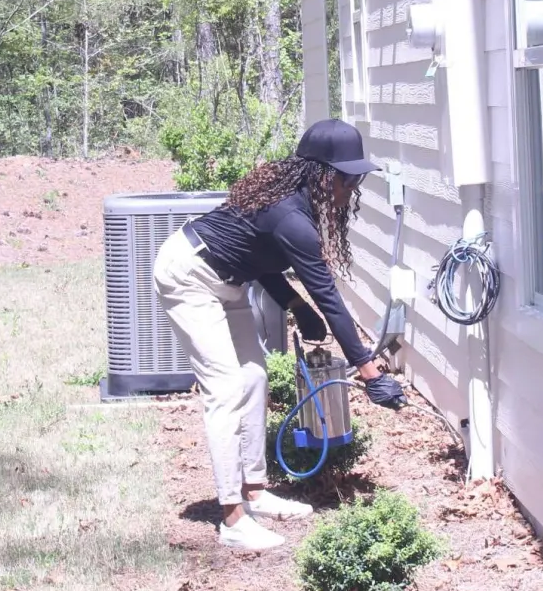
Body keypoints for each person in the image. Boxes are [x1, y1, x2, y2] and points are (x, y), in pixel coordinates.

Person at [153, 118, 407, 551]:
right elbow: (329, 296)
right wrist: (369, 372)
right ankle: (233, 519)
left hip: (228, 280)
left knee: (254, 377)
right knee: (226, 389)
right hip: (188, 274)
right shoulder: (292, 216)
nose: (353, 188)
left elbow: (262, 254)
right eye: (350, 178)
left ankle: (255, 492)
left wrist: (293, 306)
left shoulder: (289, 196)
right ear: (325, 175)